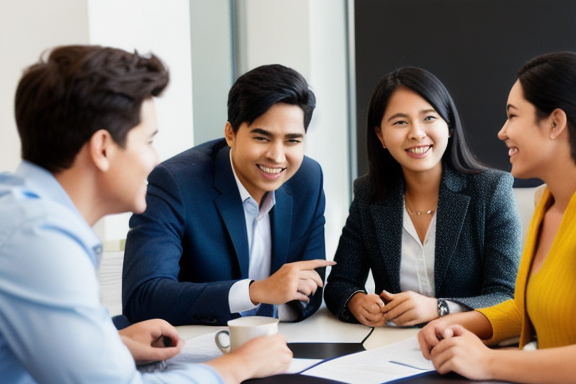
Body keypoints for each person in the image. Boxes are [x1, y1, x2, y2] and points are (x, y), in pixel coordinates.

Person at [0, 44, 292, 384]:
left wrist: (111, 344)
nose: (155, 160)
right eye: (148, 141)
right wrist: (238, 366)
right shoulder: (39, 238)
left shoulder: (21, 210)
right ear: (103, 148)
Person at [122, 63, 334, 327]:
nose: (278, 157)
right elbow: (143, 298)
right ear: (230, 134)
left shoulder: (307, 179)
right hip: (197, 349)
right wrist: (256, 292)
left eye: (292, 141)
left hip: (285, 345)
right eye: (262, 138)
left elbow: (310, 290)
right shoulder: (175, 183)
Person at [418, 52, 576, 383]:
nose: (502, 132)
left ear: (555, 123)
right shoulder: (547, 201)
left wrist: (489, 364)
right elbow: (533, 308)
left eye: (513, 116)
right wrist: (455, 323)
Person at [324, 66, 522, 327]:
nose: (416, 133)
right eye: (400, 122)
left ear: (448, 126)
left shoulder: (491, 190)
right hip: (390, 349)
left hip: (470, 347)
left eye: (429, 118)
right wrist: (356, 300)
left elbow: (506, 298)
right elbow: (340, 282)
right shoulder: (368, 195)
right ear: (381, 135)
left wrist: (439, 309)